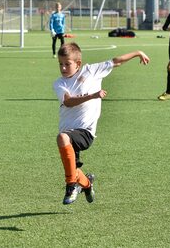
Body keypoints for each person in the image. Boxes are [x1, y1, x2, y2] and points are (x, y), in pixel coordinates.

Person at [53, 42, 150, 205]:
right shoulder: (59, 83)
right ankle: (87, 184)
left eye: (67, 64)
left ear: (78, 64)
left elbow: (116, 61)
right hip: (68, 132)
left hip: (85, 131)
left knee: (62, 138)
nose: (63, 68)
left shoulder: (91, 71)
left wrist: (137, 52)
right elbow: (68, 102)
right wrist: (92, 96)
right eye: (60, 64)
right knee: (74, 170)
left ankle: (70, 186)